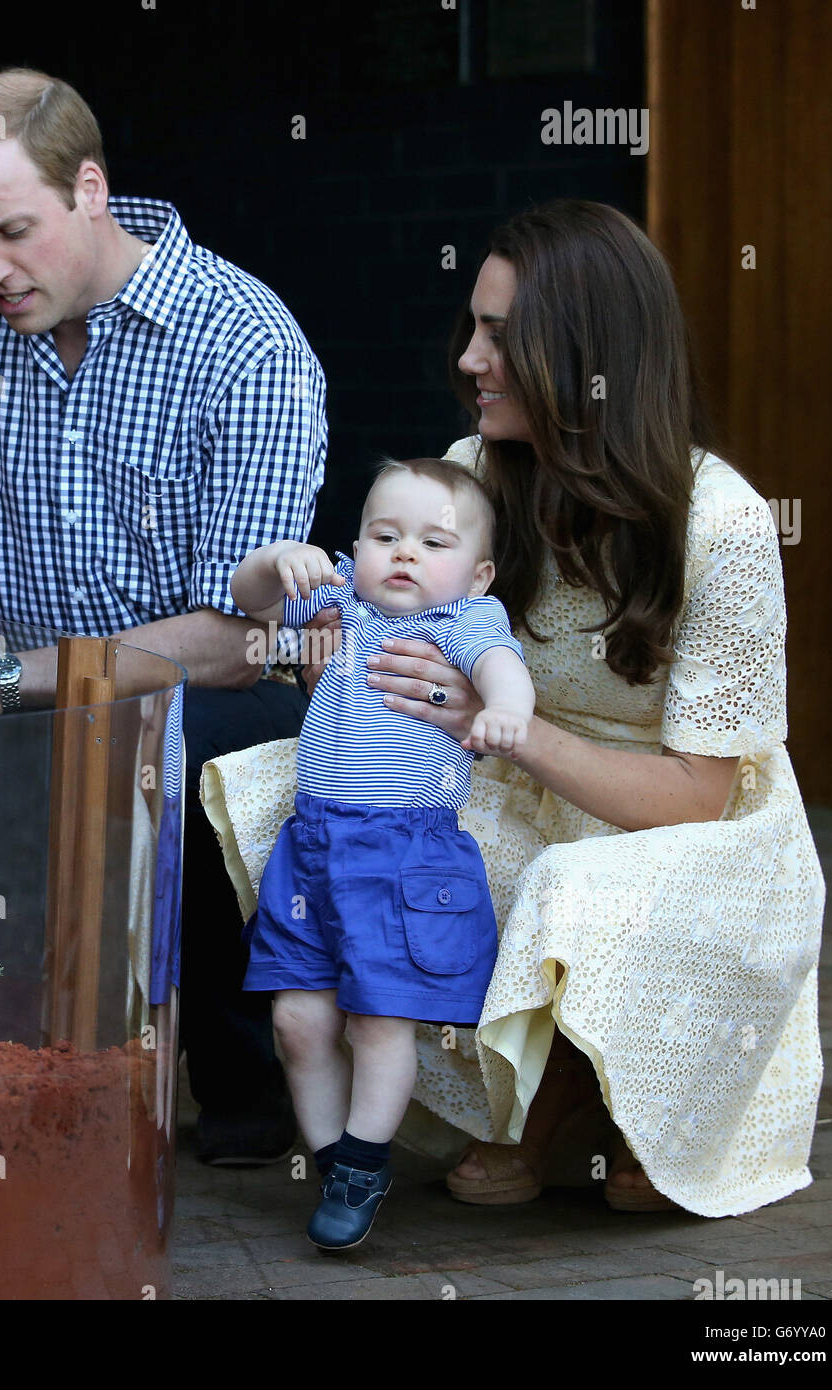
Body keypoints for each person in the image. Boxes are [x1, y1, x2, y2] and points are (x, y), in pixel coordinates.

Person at [200, 199, 825, 1218]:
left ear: (586, 355)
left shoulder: (723, 522)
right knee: (303, 803)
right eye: (475, 327)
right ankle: (529, 1093)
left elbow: (703, 795)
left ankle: (610, 1099)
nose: (471, 358)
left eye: (501, 335)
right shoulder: (480, 470)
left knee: (572, 885)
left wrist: (506, 728)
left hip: (696, 829)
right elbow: (413, 662)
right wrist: (344, 675)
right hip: (515, 777)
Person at [0, 68, 328, 1164]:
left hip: (211, 702)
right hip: (29, 706)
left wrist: (8, 678)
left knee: (153, 735)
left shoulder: (244, 342)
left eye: (14, 231)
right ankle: (6, 1075)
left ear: (90, 189)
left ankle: (240, 1079)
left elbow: (237, 641)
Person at [230, 457, 533, 1247]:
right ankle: (337, 1160)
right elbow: (250, 600)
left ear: (478, 572)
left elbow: (503, 668)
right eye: (384, 535)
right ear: (355, 547)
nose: (403, 554)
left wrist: (506, 710)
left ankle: (362, 1164)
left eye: (434, 542)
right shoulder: (344, 601)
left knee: (377, 1018)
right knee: (298, 1017)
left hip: (405, 854)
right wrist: (274, 562)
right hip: (314, 845)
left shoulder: (462, 623)